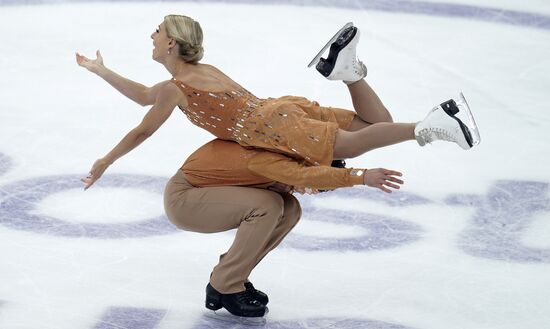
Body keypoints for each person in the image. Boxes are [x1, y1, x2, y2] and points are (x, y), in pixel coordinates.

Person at [75, 16, 480, 190]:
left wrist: (105, 160)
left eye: (157, 31)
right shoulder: (199, 71)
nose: (151, 36)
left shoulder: (175, 87)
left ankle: (431, 125)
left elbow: (142, 125)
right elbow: (143, 96)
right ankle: (348, 71)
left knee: (357, 143)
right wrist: (101, 71)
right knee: (375, 122)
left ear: (171, 43)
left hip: (270, 127)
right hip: (279, 110)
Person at [163, 138, 403, 319]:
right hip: (185, 199)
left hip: (203, 193)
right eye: (315, 185)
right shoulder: (275, 163)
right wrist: (361, 176)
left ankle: (231, 277)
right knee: (267, 205)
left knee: (289, 208)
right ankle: (224, 284)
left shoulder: (287, 156)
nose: (311, 190)